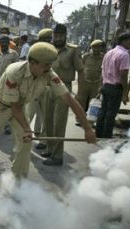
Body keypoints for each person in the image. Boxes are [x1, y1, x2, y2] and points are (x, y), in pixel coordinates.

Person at [0, 42, 96, 179]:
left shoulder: (49, 73)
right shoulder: (14, 72)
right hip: (0, 106)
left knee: (26, 142)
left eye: (50, 65)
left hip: (19, 107)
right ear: (33, 63)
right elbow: (13, 106)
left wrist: (88, 128)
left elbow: (69, 100)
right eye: (46, 65)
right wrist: (27, 129)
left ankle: (18, 179)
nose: (49, 68)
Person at [43, 23, 85, 166]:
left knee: (58, 123)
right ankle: (49, 149)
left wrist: (79, 93)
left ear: (65, 36)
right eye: (55, 35)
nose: (58, 38)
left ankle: (57, 156)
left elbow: (80, 70)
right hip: (48, 87)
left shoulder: (73, 50)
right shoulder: (48, 49)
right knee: (47, 121)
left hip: (64, 88)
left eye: (60, 35)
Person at [95, 33, 130, 138]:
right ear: (124, 41)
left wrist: (101, 86)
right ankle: (106, 135)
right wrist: (125, 92)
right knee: (111, 113)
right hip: (115, 87)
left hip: (106, 85)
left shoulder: (109, 53)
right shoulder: (124, 54)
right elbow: (123, 75)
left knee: (103, 111)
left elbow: (102, 71)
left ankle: (98, 132)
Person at [26, 28, 53, 150]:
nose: (47, 41)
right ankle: (23, 135)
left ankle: (42, 139)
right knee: (29, 112)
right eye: (44, 39)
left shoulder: (53, 51)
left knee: (45, 114)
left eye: (49, 39)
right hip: (34, 85)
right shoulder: (34, 50)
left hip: (47, 86)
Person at [76, 39, 105, 113]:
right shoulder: (86, 56)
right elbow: (80, 69)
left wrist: (102, 85)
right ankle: (79, 119)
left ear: (101, 48)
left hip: (96, 83)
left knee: (93, 102)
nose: (96, 49)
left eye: (98, 47)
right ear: (91, 48)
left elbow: (104, 71)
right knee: (82, 101)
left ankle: (90, 120)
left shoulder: (104, 58)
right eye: (94, 47)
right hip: (85, 82)